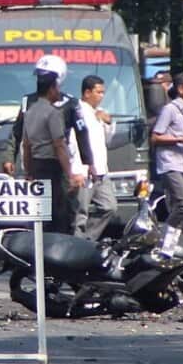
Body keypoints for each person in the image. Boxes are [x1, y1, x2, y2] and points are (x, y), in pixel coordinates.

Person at [22, 61, 84, 234]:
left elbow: (26, 145)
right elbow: (59, 145)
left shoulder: (30, 112)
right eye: (56, 88)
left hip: (36, 164)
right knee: (62, 211)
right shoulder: (53, 113)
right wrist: (70, 174)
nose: (58, 92)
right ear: (50, 89)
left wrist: (28, 172)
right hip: (53, 168)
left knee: (41, 210)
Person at [151, 71, 183, 243]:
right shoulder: (170, 109)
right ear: (181, 89)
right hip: (169, 163)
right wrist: (179, 139)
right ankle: (164, 238)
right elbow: (156, 137)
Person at [68, 75, 117, 240]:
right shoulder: (77, 111)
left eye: (103, 92)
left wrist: (107, 122)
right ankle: (76, 246)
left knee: (109, 207)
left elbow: (107, 141)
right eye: (99, 92)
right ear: (87, 92)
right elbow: (73, 143)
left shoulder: (99, 113)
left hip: (101, 170)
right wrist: (78, 169)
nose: (102, 96)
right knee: (81, 212)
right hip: (84, 170)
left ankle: (87, 240)